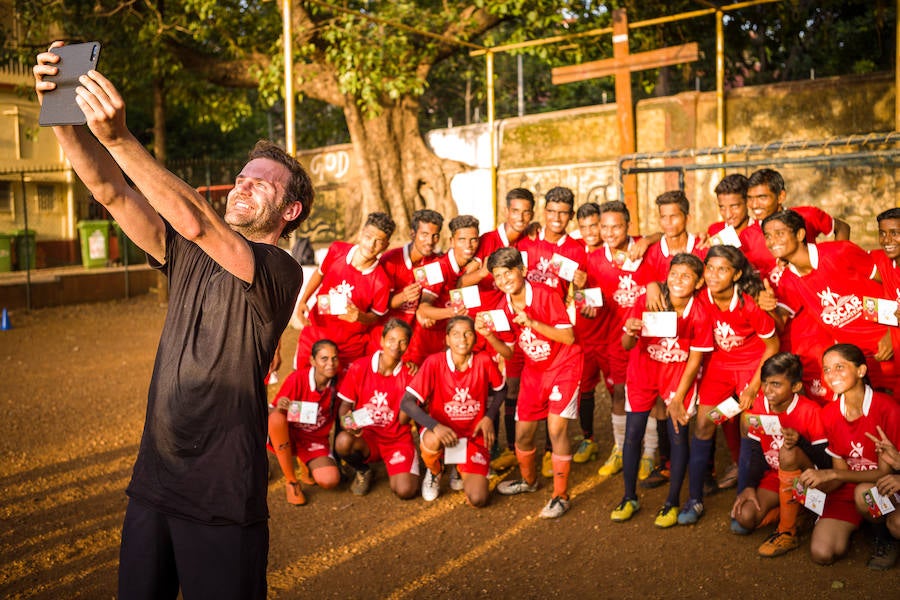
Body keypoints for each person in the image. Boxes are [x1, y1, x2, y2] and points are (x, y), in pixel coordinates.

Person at [35, 45, 312, 598]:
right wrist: (61, 113)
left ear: (291, 211)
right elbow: (110, 192)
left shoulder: (280, 270)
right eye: (241, 177)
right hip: (155, 482)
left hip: (221, 497)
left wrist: (119, 137)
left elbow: (197, 222)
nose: (243, 185)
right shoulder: (188, 251)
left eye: (262, 184)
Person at [479, 247, 583, 519]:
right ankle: (529, 481)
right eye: (497, 277)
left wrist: (533, 322)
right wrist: (488, 336)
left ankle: (560, 496)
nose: (503, 281)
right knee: (523, 432)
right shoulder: (502, 306)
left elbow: (569, 338)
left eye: (508, 273)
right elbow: (511, 352)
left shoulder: (546, 295)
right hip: (535, 371)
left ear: (522, 271)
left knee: (556, 429)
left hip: (565, 366)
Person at [611, 254, 713, 526]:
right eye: (674, 274)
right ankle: (629, 496)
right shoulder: (649, 300)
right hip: (643, 372)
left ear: (699, 281)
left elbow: (695, 358)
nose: (678, 280)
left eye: (687, 276)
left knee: (678, 436)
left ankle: (671, 502)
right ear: (666, 275)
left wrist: (678, 397)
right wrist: (631, 332)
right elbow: (625, 345)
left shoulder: (700, 312)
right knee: (633, 434)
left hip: (677, 377)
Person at [688, 245, 779, 521]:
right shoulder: (701, 297)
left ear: (736, 274)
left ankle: (743, 497)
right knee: (705, 423)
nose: (714, 275)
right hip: (720, 369)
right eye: (710, 267)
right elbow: (669, 285)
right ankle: (694, 499)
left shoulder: (748, 303)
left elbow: (773, 346)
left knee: (746, 425)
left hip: (751, 368)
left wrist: (753, 387)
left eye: (723, 269)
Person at [762, 210, 896, 395]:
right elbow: (779, 326)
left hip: (891, 341)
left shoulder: (840, 251)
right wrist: (768, 308)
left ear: (800, 234)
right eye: (768, 236)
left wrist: (892, 333)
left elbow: (892, 282)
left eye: (779, 233)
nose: (772, 240)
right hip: (862, 362)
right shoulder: (787, 280)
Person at [799, 344, 900, 567]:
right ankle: (865, 520)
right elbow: (841, 470)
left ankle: (883, 538)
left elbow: (884, 473)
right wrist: (814, 484)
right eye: (827, 369)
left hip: (884, 486)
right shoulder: (829, 413)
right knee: (821, 552)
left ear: (861, 371)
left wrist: (832, 474)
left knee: (866, 495)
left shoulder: (886, 408)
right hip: (848, 487)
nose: (831, 375)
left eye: (840, 367)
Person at [578, 201, 658, 481]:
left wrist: (650, 239)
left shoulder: (645, 248)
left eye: (616, 226)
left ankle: (650, 453)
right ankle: (620, 448)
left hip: (651, 338)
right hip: (617, 338)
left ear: (629, 226)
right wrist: (585, 304)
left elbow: (666, 238)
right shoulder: (595, 259)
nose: (610, 232)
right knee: (619, 393)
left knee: (650, 396)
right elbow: (593, 301)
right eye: (605, 226)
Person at [459, 188, 535, 471]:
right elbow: (464, 281)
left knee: (513, 385)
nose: (521, 217)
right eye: (516, 211)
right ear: (506, 212)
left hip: (512, 322)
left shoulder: (530, 239)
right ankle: (485, 448)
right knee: (484, 386)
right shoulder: (489, 241)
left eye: (526, 212)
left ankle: (515, 448)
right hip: (484, 322)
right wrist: (493, 270)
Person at [730, 353, 828, 557]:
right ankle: (797, 512)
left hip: (808, 479)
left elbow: (825, 461)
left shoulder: (810, 411)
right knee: (745, 517)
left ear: (796, 387)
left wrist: (800, 441)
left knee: (789, 452)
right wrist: (748, 486)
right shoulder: (758, 406)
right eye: (765, 383)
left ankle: (787, 531)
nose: (767, 390)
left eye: (776, 384)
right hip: (776, 477)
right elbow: (756, 451)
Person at [402, 316, 506, 506]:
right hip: (443, 432)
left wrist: (489, 417)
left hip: (472, 434)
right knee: (432, 438)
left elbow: (501, 390)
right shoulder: (434, 362)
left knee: (479, 499)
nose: (462, 339)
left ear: (475, 338)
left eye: (468, 334)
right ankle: (434, 471)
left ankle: (459, 466)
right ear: (447, 339)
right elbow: (407, 403)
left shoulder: (483, 360)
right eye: (456, 334)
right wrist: (435, 426)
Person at [294, 211, 394, 369]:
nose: (371, 245)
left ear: (386, 245)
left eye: (378, 241)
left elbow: (375, 316)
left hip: (348, 346)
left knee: (339, 392)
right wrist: (303, 300)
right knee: (302, 382)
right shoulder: (337, 250)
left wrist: (360, 316)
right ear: (361, 233)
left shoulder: (382, 281)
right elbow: (320, 273)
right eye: (368, 237)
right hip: (315, 332)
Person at [334, 319, 419, 499]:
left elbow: (405, 419)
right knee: (343, 441)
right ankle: (363, 470)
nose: (396, 345)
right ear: (381, 340)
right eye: (391, 339)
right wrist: (349, 425)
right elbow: (345, 406)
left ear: (408, 345)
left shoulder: (410, 374)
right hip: (367, 436)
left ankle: (401, 462)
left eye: (403, 341)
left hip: (397, 439)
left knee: (405, 491)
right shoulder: (360, 367)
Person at [267, 339, 341, 506]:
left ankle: (306, 463)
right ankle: (291, 482)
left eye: (334, 358)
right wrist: (280, 407)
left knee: (330, 480)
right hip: (288, 436)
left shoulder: (340, 381)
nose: (330, 363)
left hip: (314, 439)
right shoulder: (297, 378)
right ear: (312, 361)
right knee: (276, 418)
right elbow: (270, 412)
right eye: (324, 358)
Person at [406, 215, 481, 365]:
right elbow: (423, 307)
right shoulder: (437, 267)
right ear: (451, 241)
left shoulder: (473, 265)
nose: (469, 245)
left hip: (448, 347)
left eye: (473, 239)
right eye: (462, 240)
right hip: (422, 347)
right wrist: (453, 312)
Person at [374, 209, 444, 353]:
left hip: (413, 344)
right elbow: (378, 305)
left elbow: (428, 298)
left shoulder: (436, 263)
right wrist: (403, 296)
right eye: (424, 235)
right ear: (413, 233)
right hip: (384, 341)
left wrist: (423, 311)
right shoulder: (390, 260)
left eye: (435, 235)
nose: (430, 241)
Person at [870, 207, 900, 399]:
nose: (887, 240)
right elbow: (842, 257)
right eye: (882, 233)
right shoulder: (880, 260)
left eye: (894, 233)